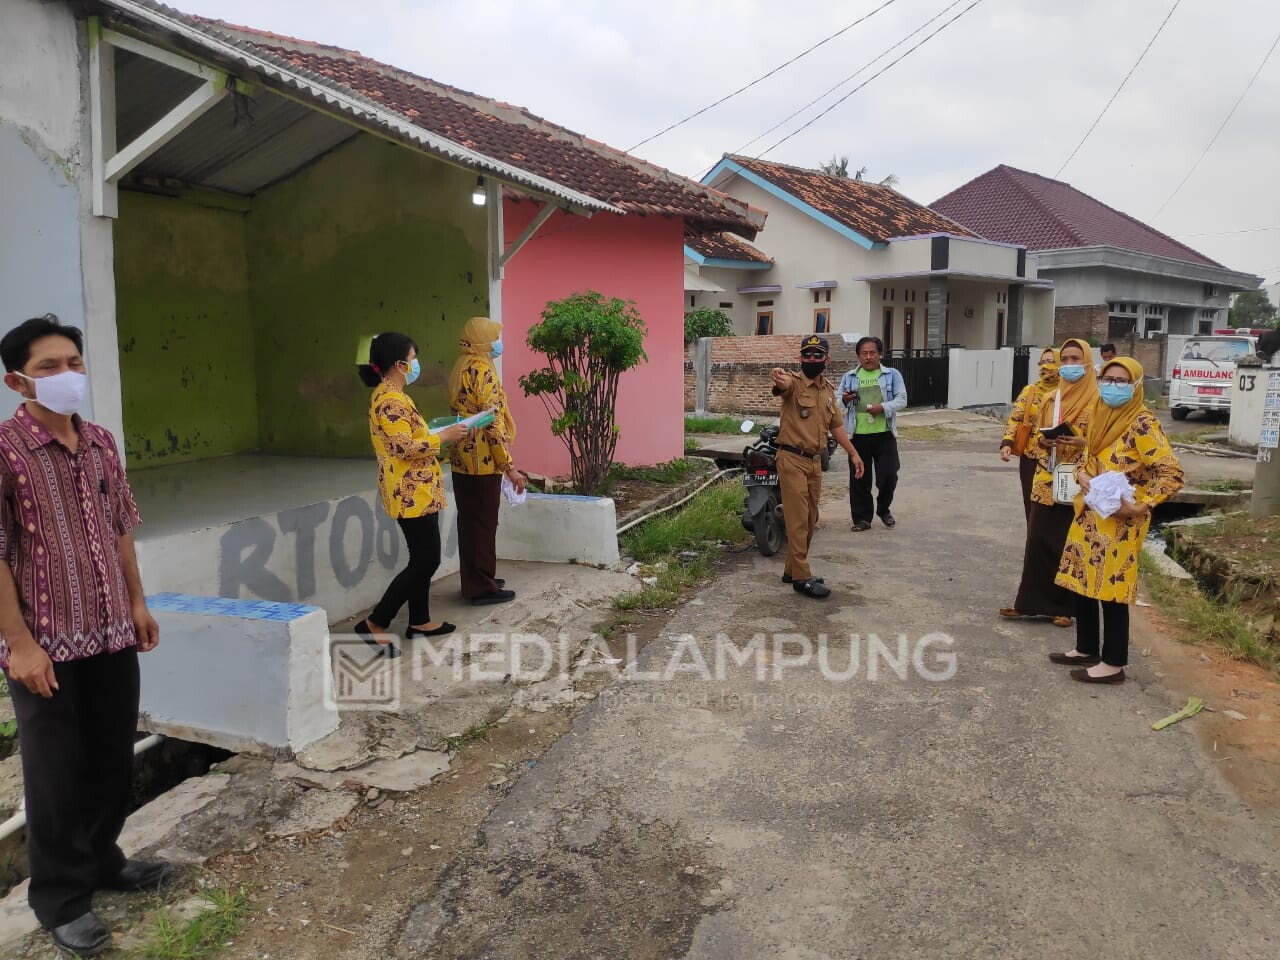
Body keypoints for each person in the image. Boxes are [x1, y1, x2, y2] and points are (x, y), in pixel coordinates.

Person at [0, 315, 166, 958]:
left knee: (109, 757)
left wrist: (137, 602)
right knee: (54, 772)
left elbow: (120, 525)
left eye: (73, 362)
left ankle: (103, 860)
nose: (67, 375)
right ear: (18, 381)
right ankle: (61, 898)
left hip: (110, 630)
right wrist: (19, 645)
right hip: (44, 644)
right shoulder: (7, 452)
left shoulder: (99, 442)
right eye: (48, 367)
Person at [1052, 357, 1183, 683]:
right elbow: (1088, 456)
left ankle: (1113, 664)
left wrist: (1141, 505)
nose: (1112, 385)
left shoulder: (1142, 423)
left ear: (1136, 386)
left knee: (1112, 588)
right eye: (1108, 378)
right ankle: (1086, 648)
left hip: (1121, 522)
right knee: (1082, 579)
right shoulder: (1099, 414)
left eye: (1121, 381)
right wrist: (1082, 475)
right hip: (1089, 511)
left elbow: (1171, 473)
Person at [355, 332, 469, 657]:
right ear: (399, 364)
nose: (416, 363)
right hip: (410, 492)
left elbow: (408, 437)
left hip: (417, 488)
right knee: (426, 559)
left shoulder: (395, 395)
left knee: (422, 557)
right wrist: (444, 436)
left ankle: (420, 620)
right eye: (413, 358)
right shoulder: (390, 399)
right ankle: (376, 622)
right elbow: (403, 447)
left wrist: (439, 434)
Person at [1000, 338, 1097, 627]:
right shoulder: (1049, 399)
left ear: (1088, 362)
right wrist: (1045, 440)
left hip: (1080, 478)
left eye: (1074, 359)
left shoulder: (1098, 400)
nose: (1067, 365)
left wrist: (1083, 442)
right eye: (1063, 359)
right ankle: (1029, 603)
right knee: (1038, 537)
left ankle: (1065, 607)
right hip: (1047, 475)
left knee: (1067, 541)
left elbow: (1107, 443)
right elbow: (1038, 437)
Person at [770, 335, 865, 599]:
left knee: (810, 520)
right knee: (798, 520)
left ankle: (791, 569)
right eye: (807, 355)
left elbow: (836, 426)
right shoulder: (794, 383)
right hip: (791, 459)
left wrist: (854, 454)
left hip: (814, 463)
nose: (812, 360)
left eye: (817, 355)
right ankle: (801, 578)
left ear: (827, 359)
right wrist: (779, 378)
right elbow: (783, 385)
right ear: (800, 358)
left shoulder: (827, 391)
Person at [448, 317, 526, 605]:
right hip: (481, 460)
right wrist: (509, 467)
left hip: (462, 458)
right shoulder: (482, 371)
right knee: (482, 523)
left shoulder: (462, 365)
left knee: (470, 523)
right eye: (494, 337)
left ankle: (477, 577)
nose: (497, 342)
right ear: (481, 340)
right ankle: (481, 586)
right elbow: (492, 424)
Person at [838, 337, 908, 531]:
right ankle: (862, 519)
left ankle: (884, 509)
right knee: (859, 478)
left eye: (872, 353)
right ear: (858, 356)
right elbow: (836, 403)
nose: (868, 357)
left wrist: (883, 408)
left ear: (880, 354)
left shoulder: (891, 375)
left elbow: (902, 399)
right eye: (864, 353)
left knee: (889, 474)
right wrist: (844, 400)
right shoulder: (850, 376)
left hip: (884, 434)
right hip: (858, 436)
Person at [1001, 348, 1060, 520]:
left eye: (1050, 361)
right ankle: (1032, 541)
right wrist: (1007, 443)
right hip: (1030, 457)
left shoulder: (1068, 392)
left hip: (1056, 456)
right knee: (1031, 503)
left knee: (1052, 505)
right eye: (1041, 362)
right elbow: (1015, 418)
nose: (1044, 366)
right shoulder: (1030, 390)